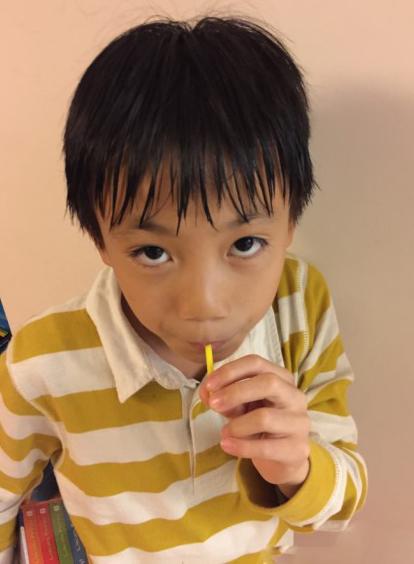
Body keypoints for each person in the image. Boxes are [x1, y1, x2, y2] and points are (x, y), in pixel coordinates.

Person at [0, 15, 368, 563]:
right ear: (100, 240)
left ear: (291, 222)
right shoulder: (43, 363)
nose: (204, 305)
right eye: (153, 252)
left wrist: (298, 467)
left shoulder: (299, 306)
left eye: (245, 243)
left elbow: (340, 506)